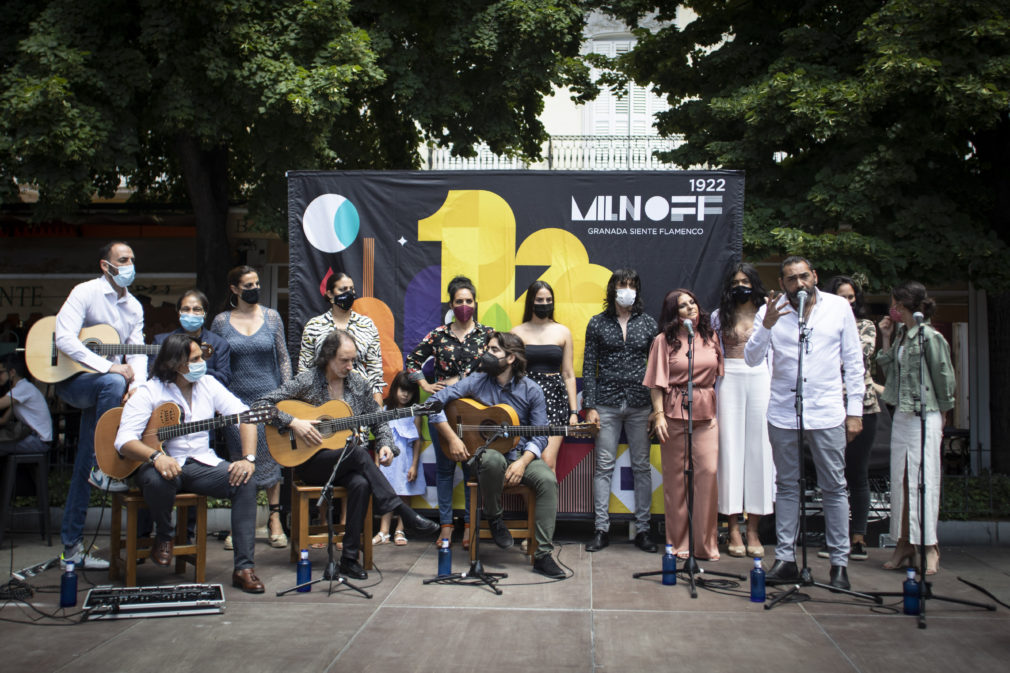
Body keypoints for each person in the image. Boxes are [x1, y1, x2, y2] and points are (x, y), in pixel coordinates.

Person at [257, 330, 438, 579]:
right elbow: (261, 405)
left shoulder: (358, 383)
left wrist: (386, 444)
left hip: (345, 462)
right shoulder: (307, 380)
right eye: (344, 360)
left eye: (353, 359)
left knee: (361, 482)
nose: (350, 366)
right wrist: (294, 422)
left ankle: (350, 559)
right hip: (309, 462)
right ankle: (401, 510)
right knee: (356, 452)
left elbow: (379, 420)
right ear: (328, 358)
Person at [744, 256, 864, 590]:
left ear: (815, 276)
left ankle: (839, 563)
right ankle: (785, 559)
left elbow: (854, 363)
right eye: (791, 279)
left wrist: (854, 411)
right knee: (787, 485)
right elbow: (753, 359)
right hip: (784, 411)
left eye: (804, 276)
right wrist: (766, 325)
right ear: (782, 284)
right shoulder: (771, 311)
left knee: (834, 486)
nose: (799, 284)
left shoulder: (839, 307)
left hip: (826, 411)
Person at [114, 334, 265, 593]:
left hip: (201, 464)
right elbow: (124, 439)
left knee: (245, 482)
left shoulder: (208, 384)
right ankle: (164, 534)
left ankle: (244, 568)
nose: (202, 362)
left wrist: (248, 458)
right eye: (194, 359)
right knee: (155, 479)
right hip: (160, 464)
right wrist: (156, 457)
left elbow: (246, 416)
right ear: (175, 364)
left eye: (200, 357)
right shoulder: (150, 391)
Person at [428, 332, 566, 579]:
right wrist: (452, 438)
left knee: (547, 480)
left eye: (493, 350)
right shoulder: (476, 381)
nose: (486, 355)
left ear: (511, 358)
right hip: (489, 457)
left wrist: (523, 463)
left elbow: (541, 434)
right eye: (487, 349)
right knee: (491, 460)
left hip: (520, 456)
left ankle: (543, 555)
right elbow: (434, 403)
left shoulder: (531, 390)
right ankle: (495, 517)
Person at [54, 241, 147, 569]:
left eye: (132, 259)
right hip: (72, 380)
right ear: (105, 266)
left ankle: (72, 548)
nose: (130, 265)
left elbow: (136, 352)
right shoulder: (85, 292)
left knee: (82, 464)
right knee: (112, 381)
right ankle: (101, 463)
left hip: (106, 391)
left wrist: (138, 387)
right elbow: (63, 338)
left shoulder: (134, 308)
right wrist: (108, 366)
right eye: (123, 260)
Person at [404, 275, 494, 546]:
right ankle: (445, 525)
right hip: (441, 412)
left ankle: (469, 525)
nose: (464, 305)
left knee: (471, 470)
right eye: (459, 301)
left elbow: (493, 365)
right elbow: (412, 360)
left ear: (475, 303)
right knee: (444, 470)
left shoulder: (487, 335)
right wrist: (424, 383)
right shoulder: (438, 335)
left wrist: (461, 380)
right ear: (451, 304)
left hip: (474, 412)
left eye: (469, 301)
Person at [211, 265, 292, 549]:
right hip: (236, 403)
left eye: (257, 283)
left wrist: (286, 393)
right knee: (241, 461)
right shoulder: (221, 322)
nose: (254, 288)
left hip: (268, 397)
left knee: (272, 460)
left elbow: (283, 357)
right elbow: (217, 363)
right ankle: (241, 525)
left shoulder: (272, 317)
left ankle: (274, 521)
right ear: (234, 289)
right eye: (248, 285)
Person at [876, 281, 954, 575]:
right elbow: (888, 367)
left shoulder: (929, 337)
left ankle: (929, 546)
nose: (891, 309)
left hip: (926, 412)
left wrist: (945, 412)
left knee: (925, 478)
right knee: (901, 479)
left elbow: (944, 376)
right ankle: (904, 543)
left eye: (894, 303)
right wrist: (886, 338)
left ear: (904, 305)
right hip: (903, 415)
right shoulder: (903, 337)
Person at [582, 269, 658, 553]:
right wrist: (589, 405)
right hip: (607, 403)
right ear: (613, 289)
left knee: (641, 467)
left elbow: (657, 369)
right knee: (603, 467)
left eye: (632, 285)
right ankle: (601, 529)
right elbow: (589, 366)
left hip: (641, 404)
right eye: (622, 285)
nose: (627, 290)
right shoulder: (597, 323)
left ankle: (644, 530)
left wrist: (657, 408)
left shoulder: (649, 324)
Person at [643, 289, 723, 560]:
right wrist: (659, 414)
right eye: (682, 306)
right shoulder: (663, 341)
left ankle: (705, 545)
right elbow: (656, 383)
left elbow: (720, 376)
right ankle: (679, 544)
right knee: (676, 481)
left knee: (707, 475)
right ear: (672, 314)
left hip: (706, 413)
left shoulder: (711, 337)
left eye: (693, 302)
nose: (691, 308)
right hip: (674, 413)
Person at [712, 264, 774, 558]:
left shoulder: (767, 313)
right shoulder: (718, 316)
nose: (740, 285)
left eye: (746, 280)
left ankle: (754, 530)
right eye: (735, 281)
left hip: (761, 378)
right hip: (729, 379)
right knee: (730, 450)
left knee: (760, 451)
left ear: (755, 284)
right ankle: (733, 527)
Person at [822, 276, 880, 562]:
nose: (847, 302)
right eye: (841, 297)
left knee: (857, 473)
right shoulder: (821, 325)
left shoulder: (865, 326)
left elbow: (857, 355)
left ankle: (858, 536)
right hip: (829, 408)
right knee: (831, 476)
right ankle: (836, 537)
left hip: (863, 409)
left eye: (851, 297)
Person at [510, 281, 579, 471]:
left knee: (547, 462)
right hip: (525, 399)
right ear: (531, 301)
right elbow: (511, 374)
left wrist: (574, 412)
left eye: (549, 299)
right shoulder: (516, 332)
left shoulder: (563, 331)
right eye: (540, 299)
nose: (544, 303)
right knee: (525, 459)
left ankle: (549, 502)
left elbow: (568, 374)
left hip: (555, 400)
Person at [297, 272, 384, 403]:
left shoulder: (367, 325)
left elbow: (375, 369)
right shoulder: (314, 326)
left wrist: (377, 409)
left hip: (359, 400)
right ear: (330, 294)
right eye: (343, 289)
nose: (349, 293)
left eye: (351, 289)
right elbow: (304, 370)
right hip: (322, 401)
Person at [373, 372, 426, 546]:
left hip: (406, 460)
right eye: (402, 390)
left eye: (410, 391)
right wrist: (376, 464)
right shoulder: (384, 410)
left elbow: (418, 440)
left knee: (404, 495)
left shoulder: (415, 412)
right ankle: (383, 531)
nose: (405, 394)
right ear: (395, 388)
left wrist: (414, 465)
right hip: (387, 460)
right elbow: (379, 439)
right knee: (387, 495)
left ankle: (400, 530)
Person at [152, 289, 231, 387]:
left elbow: (224, 379)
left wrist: (197, 369)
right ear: (178, 313)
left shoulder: (219, 344)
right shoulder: (161, 341)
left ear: (205, 313)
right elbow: (153, 375)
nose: (191, 313)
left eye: (197, 309)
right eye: (186, 309)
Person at [0, 353, 53, 455]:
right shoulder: (18, 392)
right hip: (32, 438)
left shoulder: (23, 388)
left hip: (38, 441)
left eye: (0, 372)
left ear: (12, 372)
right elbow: (3, 420)